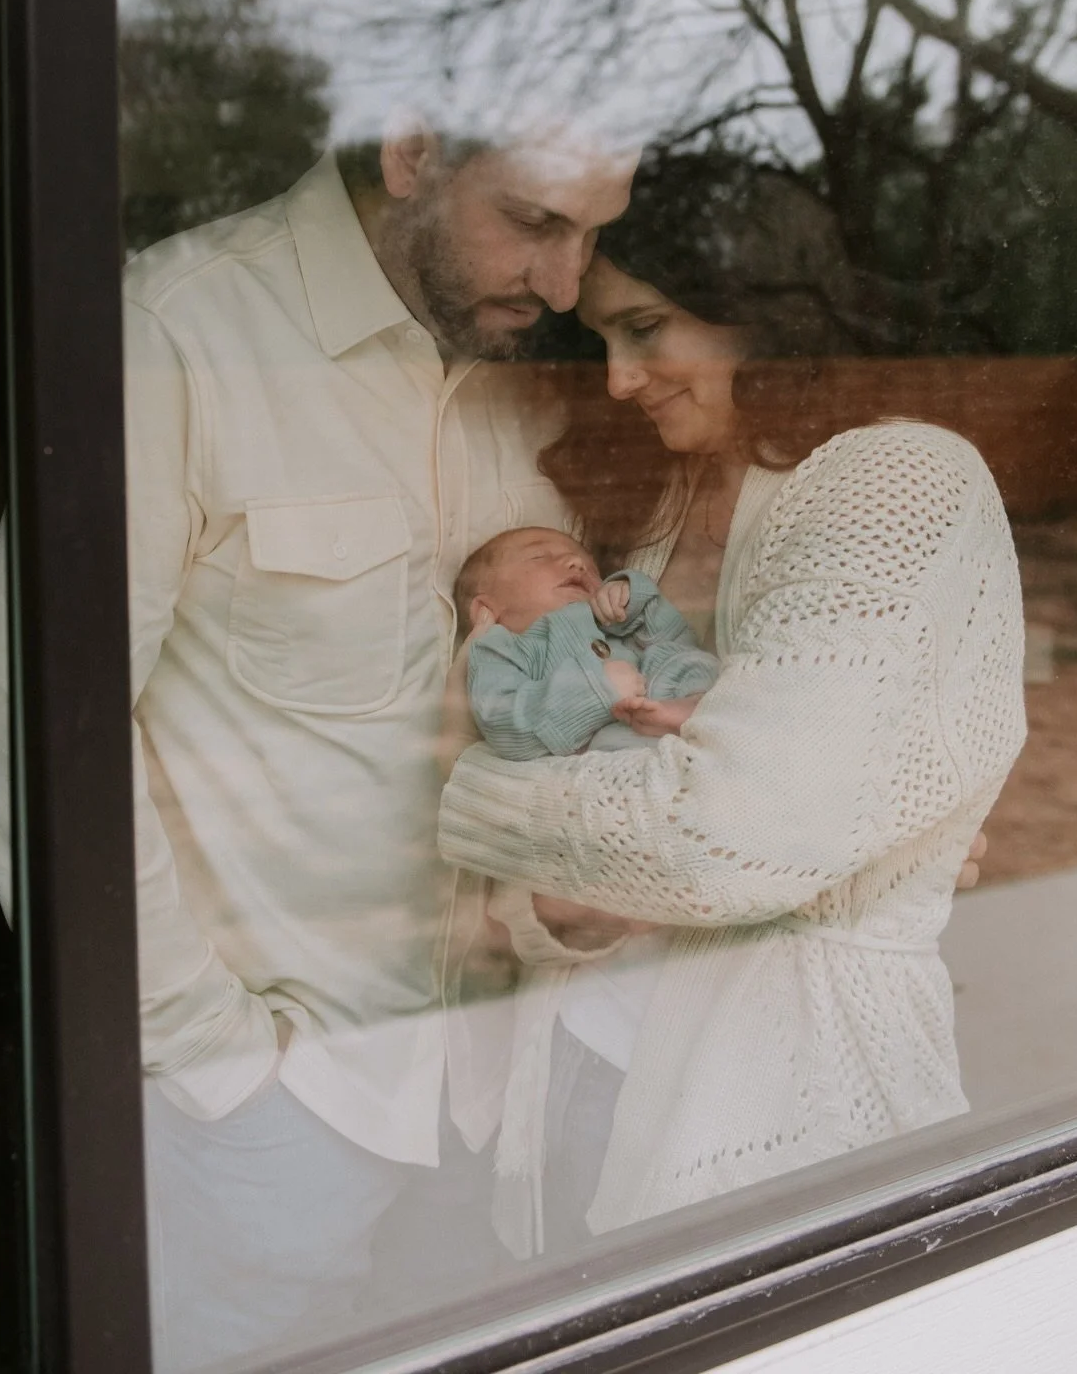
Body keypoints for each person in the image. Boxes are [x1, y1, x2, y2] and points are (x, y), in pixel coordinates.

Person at [0, 127, 635, 1370]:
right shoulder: (176, 332)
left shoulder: (507, 356)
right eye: (537, 223)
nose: (565, 283)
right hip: (280, 1120)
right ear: (413, 150)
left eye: (597, 235)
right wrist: (217, 1069)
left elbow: (548, 703)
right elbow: (40, 749)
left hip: (492, 1101)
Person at [436, 148, 1026, 1257]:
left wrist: (467, 791)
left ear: (763, 313)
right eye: (604, 338)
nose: (616, 378)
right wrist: (558, 908)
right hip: (576, 1066)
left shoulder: (898, 481)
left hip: (779, 1104)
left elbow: (727, 839)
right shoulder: (656, 507)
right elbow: (594, 842)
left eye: (647, 329)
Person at [458, 526, 719, 758]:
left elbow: (678, 640)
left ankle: (695, 705)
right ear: (486, 607)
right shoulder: (500, 647)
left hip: (671, 708)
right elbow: (502, 721)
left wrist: (633, 598)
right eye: (540, 557)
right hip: (611, 749)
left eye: (590, 567)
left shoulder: (612, 625)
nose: (576, 562)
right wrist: (596, 688)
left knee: (680, 659)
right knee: (610, 743)